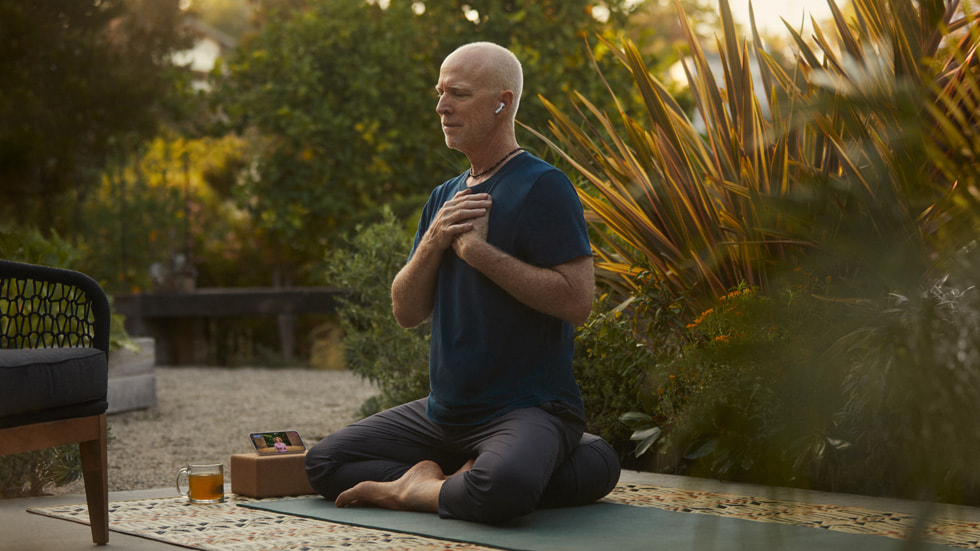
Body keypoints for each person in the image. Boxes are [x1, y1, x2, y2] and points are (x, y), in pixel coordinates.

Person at [305, 41, 619, 524]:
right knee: (324, 463)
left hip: (527, 409)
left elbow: (578, 301)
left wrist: (479, 254)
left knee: (512, 485)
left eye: (459, 93)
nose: (441, 106)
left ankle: (433, 486)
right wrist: (433, 242)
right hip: (444, 415)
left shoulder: (543, 186)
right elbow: (407, 312)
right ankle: (452, 482)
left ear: (502, 102)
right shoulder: (444, 197)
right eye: (439, 93)